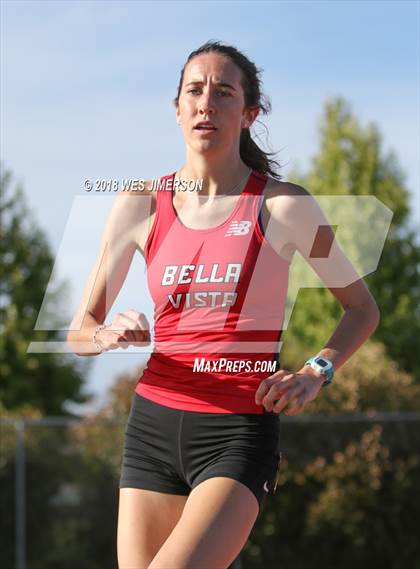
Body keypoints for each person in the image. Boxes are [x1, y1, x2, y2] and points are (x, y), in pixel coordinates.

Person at [67, 40, 380, 569]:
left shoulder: (286, 205)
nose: (206, 102)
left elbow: (362, 309)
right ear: (177, 108)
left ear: (249, 112)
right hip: (152, 429)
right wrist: (106, 334)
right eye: (194, 89)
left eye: (223, 91)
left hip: (236, 433)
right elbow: (80, 329)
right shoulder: (138, 204)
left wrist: (316, 371)